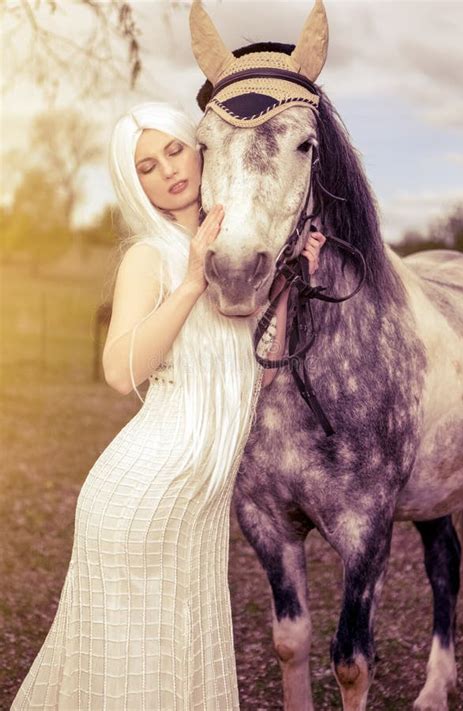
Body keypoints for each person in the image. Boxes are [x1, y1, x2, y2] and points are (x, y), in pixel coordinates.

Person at [10, 101, 325, 710]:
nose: (168, 172)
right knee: (136, 676)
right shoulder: (149, 257)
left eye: (174, 151)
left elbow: (254, 378)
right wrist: (188, 283)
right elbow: (118, 373)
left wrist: (288, 286)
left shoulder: (234, 257)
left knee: (178, 662)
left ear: (197, 148)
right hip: (142, 500)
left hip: (196, 512)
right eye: (146, 166)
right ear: (137, 185)